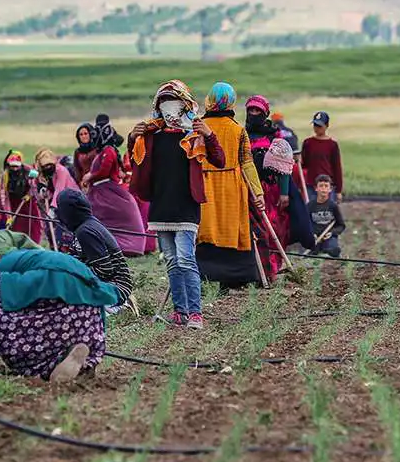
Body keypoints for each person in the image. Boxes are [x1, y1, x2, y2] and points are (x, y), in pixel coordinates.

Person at [128, 80, 226, 327]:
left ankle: (195, 312)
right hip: (161, 206)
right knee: (172, 261)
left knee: (185, 259)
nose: (170, 110)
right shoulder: (151, 136)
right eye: (165, 104)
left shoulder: (193, 136)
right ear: (158, 108)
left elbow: (219, 160)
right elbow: (135, 161)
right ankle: (179, 311)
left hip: (185, 206)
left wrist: (209, 135)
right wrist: (132, 138)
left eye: (174, 104)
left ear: (185, 106)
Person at [0, 229, 117, 381]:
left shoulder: (9, 262)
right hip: (86, 325)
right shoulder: (48, 258)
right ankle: (70, 364)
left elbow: (4, 307)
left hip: (61, 315)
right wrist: (96, 351)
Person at [193, 81, 265, 289]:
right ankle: (234, 278)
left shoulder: (198, 127)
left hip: (205, 184)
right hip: (232, 186)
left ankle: (202, 275)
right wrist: (257, 193)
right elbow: (247, 162)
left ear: (210, 100)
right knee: (231, 228)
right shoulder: (238, 130)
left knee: (206, 227)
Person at [246, 95, 305, 277]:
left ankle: (273, 266)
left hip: (271, 189)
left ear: (265, 113)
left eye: (258, 111)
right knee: (254, 230)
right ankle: (256, 269)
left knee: (274, 227)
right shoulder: (242, 133)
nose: (254, 114)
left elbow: (284, 166)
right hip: (249, 189)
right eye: (251, 110)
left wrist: (285, 192)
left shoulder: (274, 134)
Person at [79, 119, 151, 257]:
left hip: (106, 192)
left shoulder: (109, 151)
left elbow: (104, 170)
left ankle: (123, 245)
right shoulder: (103, 151)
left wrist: (90, 176)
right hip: (99, 190)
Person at [57, 188, 134, 307]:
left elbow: (105, 270)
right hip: (111, 287)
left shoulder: (85, 231)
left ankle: (116, 307)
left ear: (68, 212)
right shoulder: (84, 226)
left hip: (115, 290)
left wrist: (73, 273)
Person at [0, 150, 45, 245]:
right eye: (12, 166)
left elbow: (34, 185)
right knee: (16, 226)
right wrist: (8, 215)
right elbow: (4, 197)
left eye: (16, 166)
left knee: (33, 225)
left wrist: (29, 194)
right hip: (13, 203)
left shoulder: (29, 170)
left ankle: (34, 245)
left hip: (28, 202)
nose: (14, 169)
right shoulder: (5, 175)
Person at [301, 111, 343, 202]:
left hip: (326, 185)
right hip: (311, 184)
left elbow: (337, 167)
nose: (317, 128)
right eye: (315, 125)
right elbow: (304, 164)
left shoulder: (332, 145)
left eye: (320, 126)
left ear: (326, 125)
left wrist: (338, 191)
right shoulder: (308, 143)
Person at [306, 175, 347, 257]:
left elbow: (341, 225)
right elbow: (305, 224)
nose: (323, 188)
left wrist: (332, 233)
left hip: (329, 237)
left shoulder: (333, 206)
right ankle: (317, 250)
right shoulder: (309, 206)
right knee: (310, 251)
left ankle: (328, 251)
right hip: (314, 237)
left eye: (326, 186)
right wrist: (311, 233)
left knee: (333, 249)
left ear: (330, 189)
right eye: (321, 186)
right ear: (316, 188)